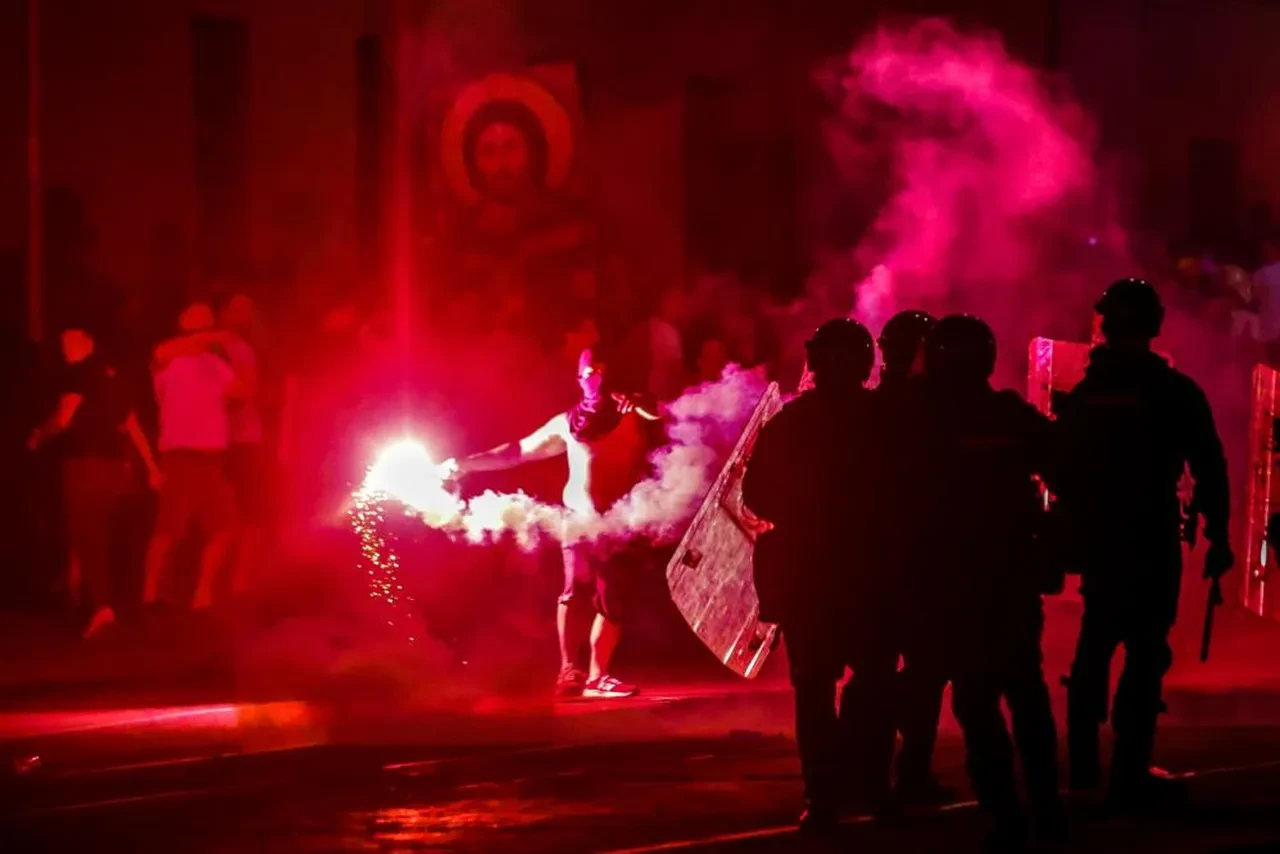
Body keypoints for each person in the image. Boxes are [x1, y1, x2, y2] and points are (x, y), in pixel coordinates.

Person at [1056, 279, 1232, 809]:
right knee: (1145, 650)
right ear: (1154, 325)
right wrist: (1218, 535)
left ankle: (1083, 769)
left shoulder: (1086, 393)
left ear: (1106, 324)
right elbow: (1210, 466)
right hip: (1150, 533)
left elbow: (1061, 465)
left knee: (1095, 644)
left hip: (1099, 533)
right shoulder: (1172, 391)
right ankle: (1128, 773)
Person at [918, 315, 1063, 850]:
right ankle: (1044, 809)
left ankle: (1006, 814)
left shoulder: (921, 424)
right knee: (1026, 694)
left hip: (954, 583)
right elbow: (1067, 470)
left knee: (976, 703)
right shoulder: (1009, 416)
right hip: (1008, 579)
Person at [448, 346, 655, 700]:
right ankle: (567, 671)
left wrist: (638, 398)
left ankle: (598, 676)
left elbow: (661, 412)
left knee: (612, 601)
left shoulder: (630, 409)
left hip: (620, 520)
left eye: (602, 370)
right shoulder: (567, 423)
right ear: (578, 380)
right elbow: (517, 452)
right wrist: (464, 464)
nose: (596, 378)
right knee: (573, 593)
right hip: (577, 518)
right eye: (589, 372)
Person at [743, 318, 883, 831]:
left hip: (811, 576)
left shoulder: (790, 423)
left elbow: (755, 496)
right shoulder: (883, 420)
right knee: (871, 679)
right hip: (868, 574)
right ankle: (860, 782)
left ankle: (825, 793)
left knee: (815, 689)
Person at [28, 326, 162, 637]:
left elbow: (63, 418)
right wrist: (152, 466)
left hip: (85, 465)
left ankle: (102, 609)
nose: (65, 348)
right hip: (116, 468)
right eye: (62, 343)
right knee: (95, 532)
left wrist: (38, 435)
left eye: (70, 342)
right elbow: (132, 424)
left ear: (87, 343)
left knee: (87, 536)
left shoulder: (78, 374)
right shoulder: (112, 378)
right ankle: (83, 597)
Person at [873, 309, 953, 806]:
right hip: (922, 564)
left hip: (876, 563)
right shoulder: (938, 413)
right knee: (925, 672)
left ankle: (872, 777)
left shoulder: (867, 409)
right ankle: (910, 774)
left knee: (879, 673)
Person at [143, 303, 244, 611]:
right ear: (183, 321)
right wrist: (213, 337)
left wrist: (240, 351)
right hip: (181, 456)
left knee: (226, 525)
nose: (206, 321)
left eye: (208, 317)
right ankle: (149, 594)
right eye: (198, 317)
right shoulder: (168, 357)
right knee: (169, 530)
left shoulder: (215, 363)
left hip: (212, 458)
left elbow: (241, 392)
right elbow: (160, 354)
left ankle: (203, 592)